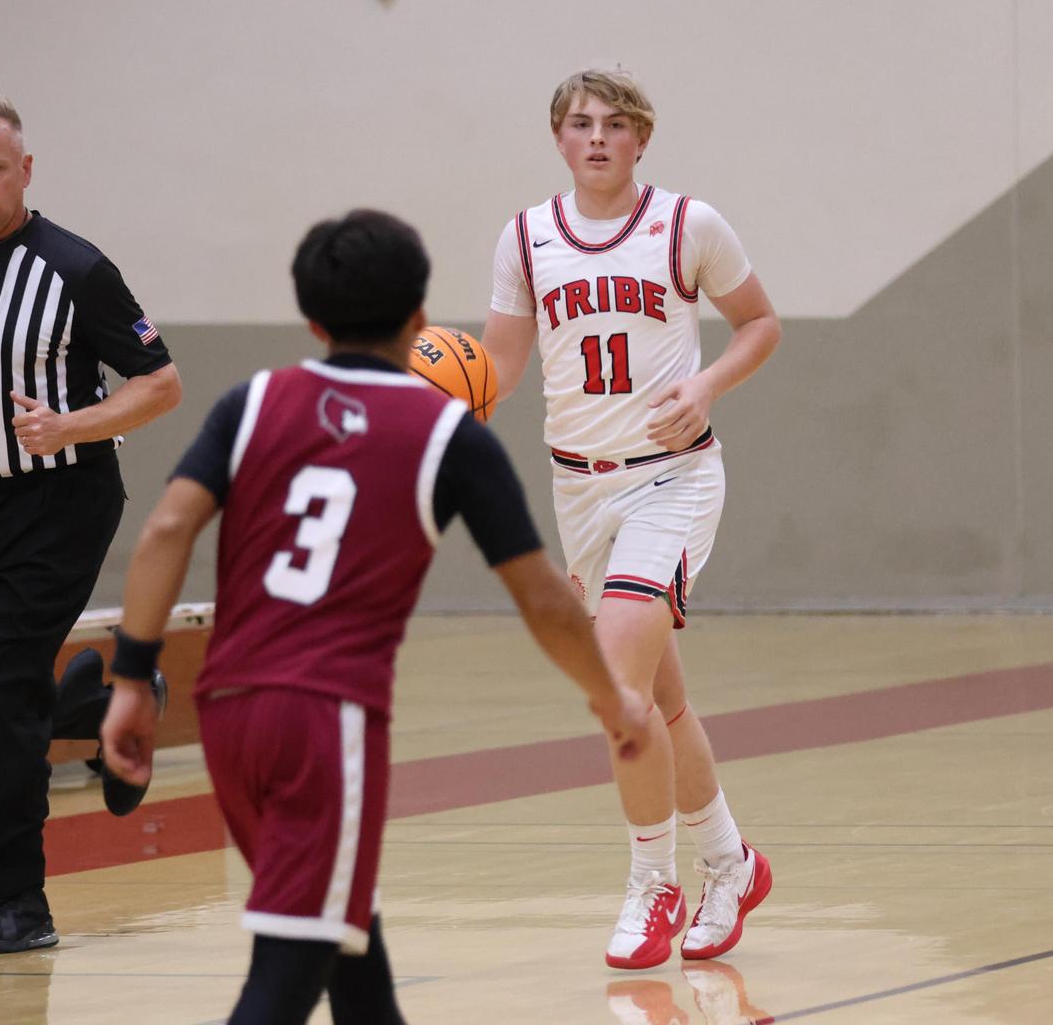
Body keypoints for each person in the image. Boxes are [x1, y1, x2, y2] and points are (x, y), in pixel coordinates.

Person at [99, 209, 652, 1025]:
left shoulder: (253, 401)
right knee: (288, 974)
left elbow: (166, 531)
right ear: (420, 318)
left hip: (228, 711)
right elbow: (543, 597)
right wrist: (612, 699)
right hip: (326, 721)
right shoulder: (449, 434)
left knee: (352, 955)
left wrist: (130, 680)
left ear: (313, 321)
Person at [481, 69, 783, 968]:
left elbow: (760, 324)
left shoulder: (688, 224)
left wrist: (706, 384)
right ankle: (732, 865)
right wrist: (436, 397)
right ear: (559, 138)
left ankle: (654, 882)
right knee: (660, 702)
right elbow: (499, 366)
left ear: (642, 138)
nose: (598, 138)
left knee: (617, 688)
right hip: (579, 491)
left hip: (671, 478)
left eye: (616, 124)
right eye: (581, 124)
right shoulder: (527, 238)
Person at [0, 95, 182, 954]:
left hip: (64, 499)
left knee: (7, 682)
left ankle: (16, 903)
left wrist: (70, 425)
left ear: (25, 171)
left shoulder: (77, 269)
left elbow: (160, 384)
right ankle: (102, 706)